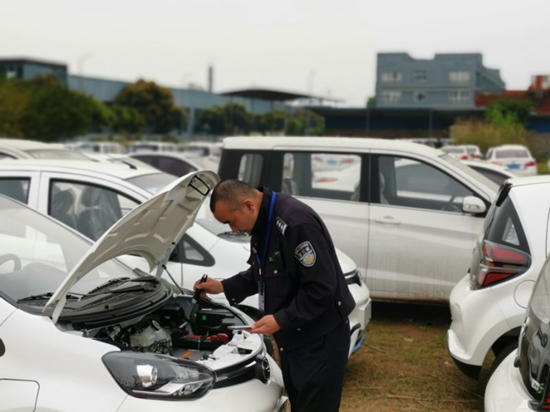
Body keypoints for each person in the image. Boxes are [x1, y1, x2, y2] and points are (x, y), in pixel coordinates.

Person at [195, 179, 354, 412]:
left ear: (248, 205)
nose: (233, 229)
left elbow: (321, 288)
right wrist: (223, 286)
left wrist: (281, 319)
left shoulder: (295, 223)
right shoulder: (263, 223)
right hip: (296, 339)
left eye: (231, 221)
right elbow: (262, 272)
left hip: (321, 340)